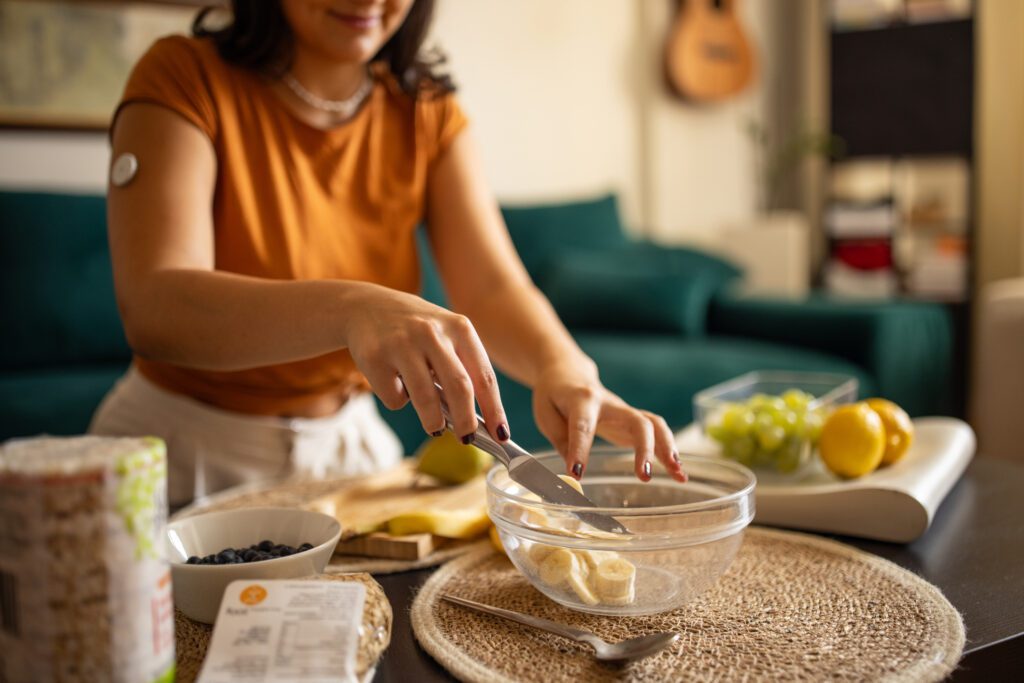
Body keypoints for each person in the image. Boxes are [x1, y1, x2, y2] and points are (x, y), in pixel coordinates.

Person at [91, 0, 687, 506]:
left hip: (352, 460)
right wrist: (352, 309)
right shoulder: (181, 75)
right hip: (177, 459)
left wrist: (566, 368)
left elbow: (494, 289)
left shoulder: (427, 112)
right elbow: (155, 307)